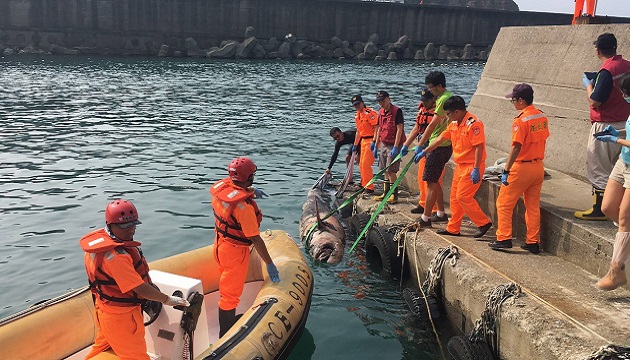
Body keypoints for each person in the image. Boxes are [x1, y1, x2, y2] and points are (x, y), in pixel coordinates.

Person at [80, 199, 190, 360]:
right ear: (110, 225)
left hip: (104, 309)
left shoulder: (97, 246)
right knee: (136, 356)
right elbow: (140, 288)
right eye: (125, 226)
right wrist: (168, 299)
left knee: (102, 347)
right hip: (122, 317)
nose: (131, 230)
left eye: (133, 225)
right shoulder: (117, 257)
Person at [210, 157, 280, 337]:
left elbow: (235, 190)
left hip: (220, 244)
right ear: (248, 176)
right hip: (235, 253)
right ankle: (225, 332)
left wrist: (250, 191)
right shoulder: (244, 209)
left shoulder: (221, 190)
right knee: (230, 296)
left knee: (226, 286)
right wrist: (270, 264)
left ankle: (227, 321)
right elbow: (255, 238)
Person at [414, 96, 492, 238]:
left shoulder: (473, 124)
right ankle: (453, 228)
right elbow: (440, 139)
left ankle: (483, 222)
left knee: (463, 196)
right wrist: (424, 151)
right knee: (454, 199)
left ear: (457, 111)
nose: (447, 117)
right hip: (460, 166)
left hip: (472, 166)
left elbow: (479, 147)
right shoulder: (454, 124)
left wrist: (476, 168)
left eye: (448, 114)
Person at [488, 84, 550, 254]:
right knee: (532, 206)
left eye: (514, 100)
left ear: (521, 100)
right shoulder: (542, 117)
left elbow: (516, 147)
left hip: (521, 168)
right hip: (538, 167)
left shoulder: (520, 121)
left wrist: (506, 170)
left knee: (504, 204)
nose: (513, 103)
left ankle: (504, 238)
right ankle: (532, 242)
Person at [575, 33, 630, 221]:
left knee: (598, 168)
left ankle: (599, 209)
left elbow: (595, 102)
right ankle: (620, 205)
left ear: (598, 50)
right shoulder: (627, 65)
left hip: (606, 125)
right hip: (626, 123)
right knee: (618, 168)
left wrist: (589, 85)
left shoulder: (606, 71)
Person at [596, 72, 630, 290]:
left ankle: (616, 271)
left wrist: (615, 139)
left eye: (625, 93)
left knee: (625, 216)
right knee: (608, 207)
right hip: (623, 162)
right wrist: (617, 131)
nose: (623, 96)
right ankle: (625, 238)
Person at [409, 72, 454, 226]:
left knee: (430, 182)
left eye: (431, 88)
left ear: (439, 86)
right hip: (441, 144)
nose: (431, 91)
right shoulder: (446, 97)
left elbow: (433, 124)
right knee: (435, 181)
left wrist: (421, 145)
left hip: (438, 145)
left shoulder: (443, 99)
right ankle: (441, 213)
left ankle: (426, 218)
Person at [401, 87, 446, 218]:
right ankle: (423, 203)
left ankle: (434, 209)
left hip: (435, 149)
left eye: (427, 100)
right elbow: (417, 128)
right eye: (423, 100)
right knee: (422, 178)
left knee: (434, 181)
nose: (424, 103)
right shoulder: (422, 109)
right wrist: (406, 145)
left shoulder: (440, 112)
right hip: (422, 150)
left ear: (434, 99)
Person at [372, 90, 405, 204]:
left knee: (391, 171)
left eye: (382, 100)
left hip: (393, 144)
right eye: (379, 101)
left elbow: (399, 129)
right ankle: (385, 193)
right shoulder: (381, 112)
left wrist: (396, 147)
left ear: (388, 99)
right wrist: (376, 145)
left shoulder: (396, 111)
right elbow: (379, 129)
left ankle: (394, 195)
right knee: (385, 170)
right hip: (384, 143)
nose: (380, 103)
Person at [351, 95, 378, 193]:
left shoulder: (369, 113)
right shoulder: (357, 116)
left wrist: (375, 142)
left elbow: (377, 128)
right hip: (363, 141)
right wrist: (355, 144)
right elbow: (358, 131)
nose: (357, 106)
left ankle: (369, 187)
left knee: (366, 164)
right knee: (361, 164)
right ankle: (364, 183)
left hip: (371, 140)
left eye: (358, 104)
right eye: (355, 105)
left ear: (362, 102)